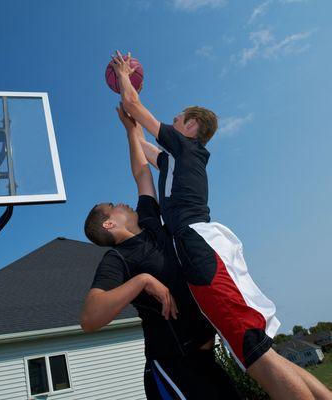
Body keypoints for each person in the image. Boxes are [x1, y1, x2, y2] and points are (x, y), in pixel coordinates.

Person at [110, 50, 332, 400]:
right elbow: (140, 145)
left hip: (199, 245)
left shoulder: (186, 148)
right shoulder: (174, 160)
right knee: (259, 351)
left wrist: (124, 75)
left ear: (192, 127)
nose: (173, 120)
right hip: (200, 245)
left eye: (179, 118)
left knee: (252, 353)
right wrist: (129, 127)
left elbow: (135, 104)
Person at [80, 104, 242, 399]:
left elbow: (142, 174)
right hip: (173, 367)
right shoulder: (118, 260)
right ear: (110, 222)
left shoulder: (150, 224)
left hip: (206, 359)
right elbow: (90, 318)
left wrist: (131, 130)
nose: (123, 202)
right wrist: (142, 281)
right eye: (115, 204)